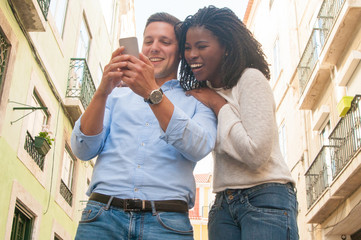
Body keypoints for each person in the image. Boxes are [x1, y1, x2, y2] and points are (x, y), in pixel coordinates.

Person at [71, 12, 217, 240]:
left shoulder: (197, 99)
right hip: (102, 218)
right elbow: (83, 149)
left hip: (167, 224)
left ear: (180, 52)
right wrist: (102, 91)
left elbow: (199, 146)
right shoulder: (115, 94)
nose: (154, 48)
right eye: (148, 41)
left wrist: (151, 92)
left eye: (165, 42)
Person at [178, 6, 299, 240]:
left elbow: (255, 154)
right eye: (187, 48)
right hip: (223, 202)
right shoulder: (202, 92)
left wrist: (218, 104)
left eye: (202, 46)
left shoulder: (250, 79)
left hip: (266, 195)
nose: (192, 54)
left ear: (226, 48)